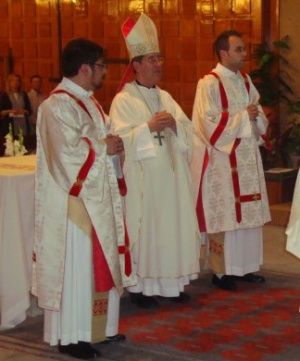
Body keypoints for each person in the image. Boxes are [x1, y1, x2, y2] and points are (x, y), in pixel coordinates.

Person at [32, 38, 135, 359]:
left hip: (97, 199)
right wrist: (105, 146)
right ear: (85, 68)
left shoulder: (90, 102)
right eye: (101, 66)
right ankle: (70, 335)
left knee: (99, 264)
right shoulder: (55, 105)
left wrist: (114, 145)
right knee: (78, 268)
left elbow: (99, 141)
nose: (104, 73)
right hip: (73, 204)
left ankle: (97, 329)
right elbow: (67, 155)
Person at [109, 13, 200, 309]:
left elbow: (189, 131)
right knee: (148, 232)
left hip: (172, 181)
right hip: (145, 182)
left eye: (159, 58)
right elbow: (120, 140)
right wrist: (148, 128)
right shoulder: (123, 100)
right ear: (135, 65)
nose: (158, 64)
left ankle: (171, 284)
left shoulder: (167, 97)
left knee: (171, 230)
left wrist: (174, 126)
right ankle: (143, 287)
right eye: (151, 59)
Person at [191, 30, 271, 291]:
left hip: (247, 157)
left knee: (248, 214)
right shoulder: (209, 83)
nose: (244, 54)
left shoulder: (246, 81)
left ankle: (246, 267)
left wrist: (256, 117)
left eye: (244, 49)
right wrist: (241, 118)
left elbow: (258, 115)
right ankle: (222, 271)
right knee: (225, 215)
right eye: (239, 49)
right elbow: (206, 123)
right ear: (223, 53)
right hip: (223, 162)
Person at [0, 73, 31, 138]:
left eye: (17, 80)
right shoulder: (4, 95)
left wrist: (24, 111)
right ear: (9, 82)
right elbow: (1, 112)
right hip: (9, 125)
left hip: (23, 124)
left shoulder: (24, 94)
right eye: (13, 80)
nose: (16, 82)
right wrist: (10, 111)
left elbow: (29, 111)